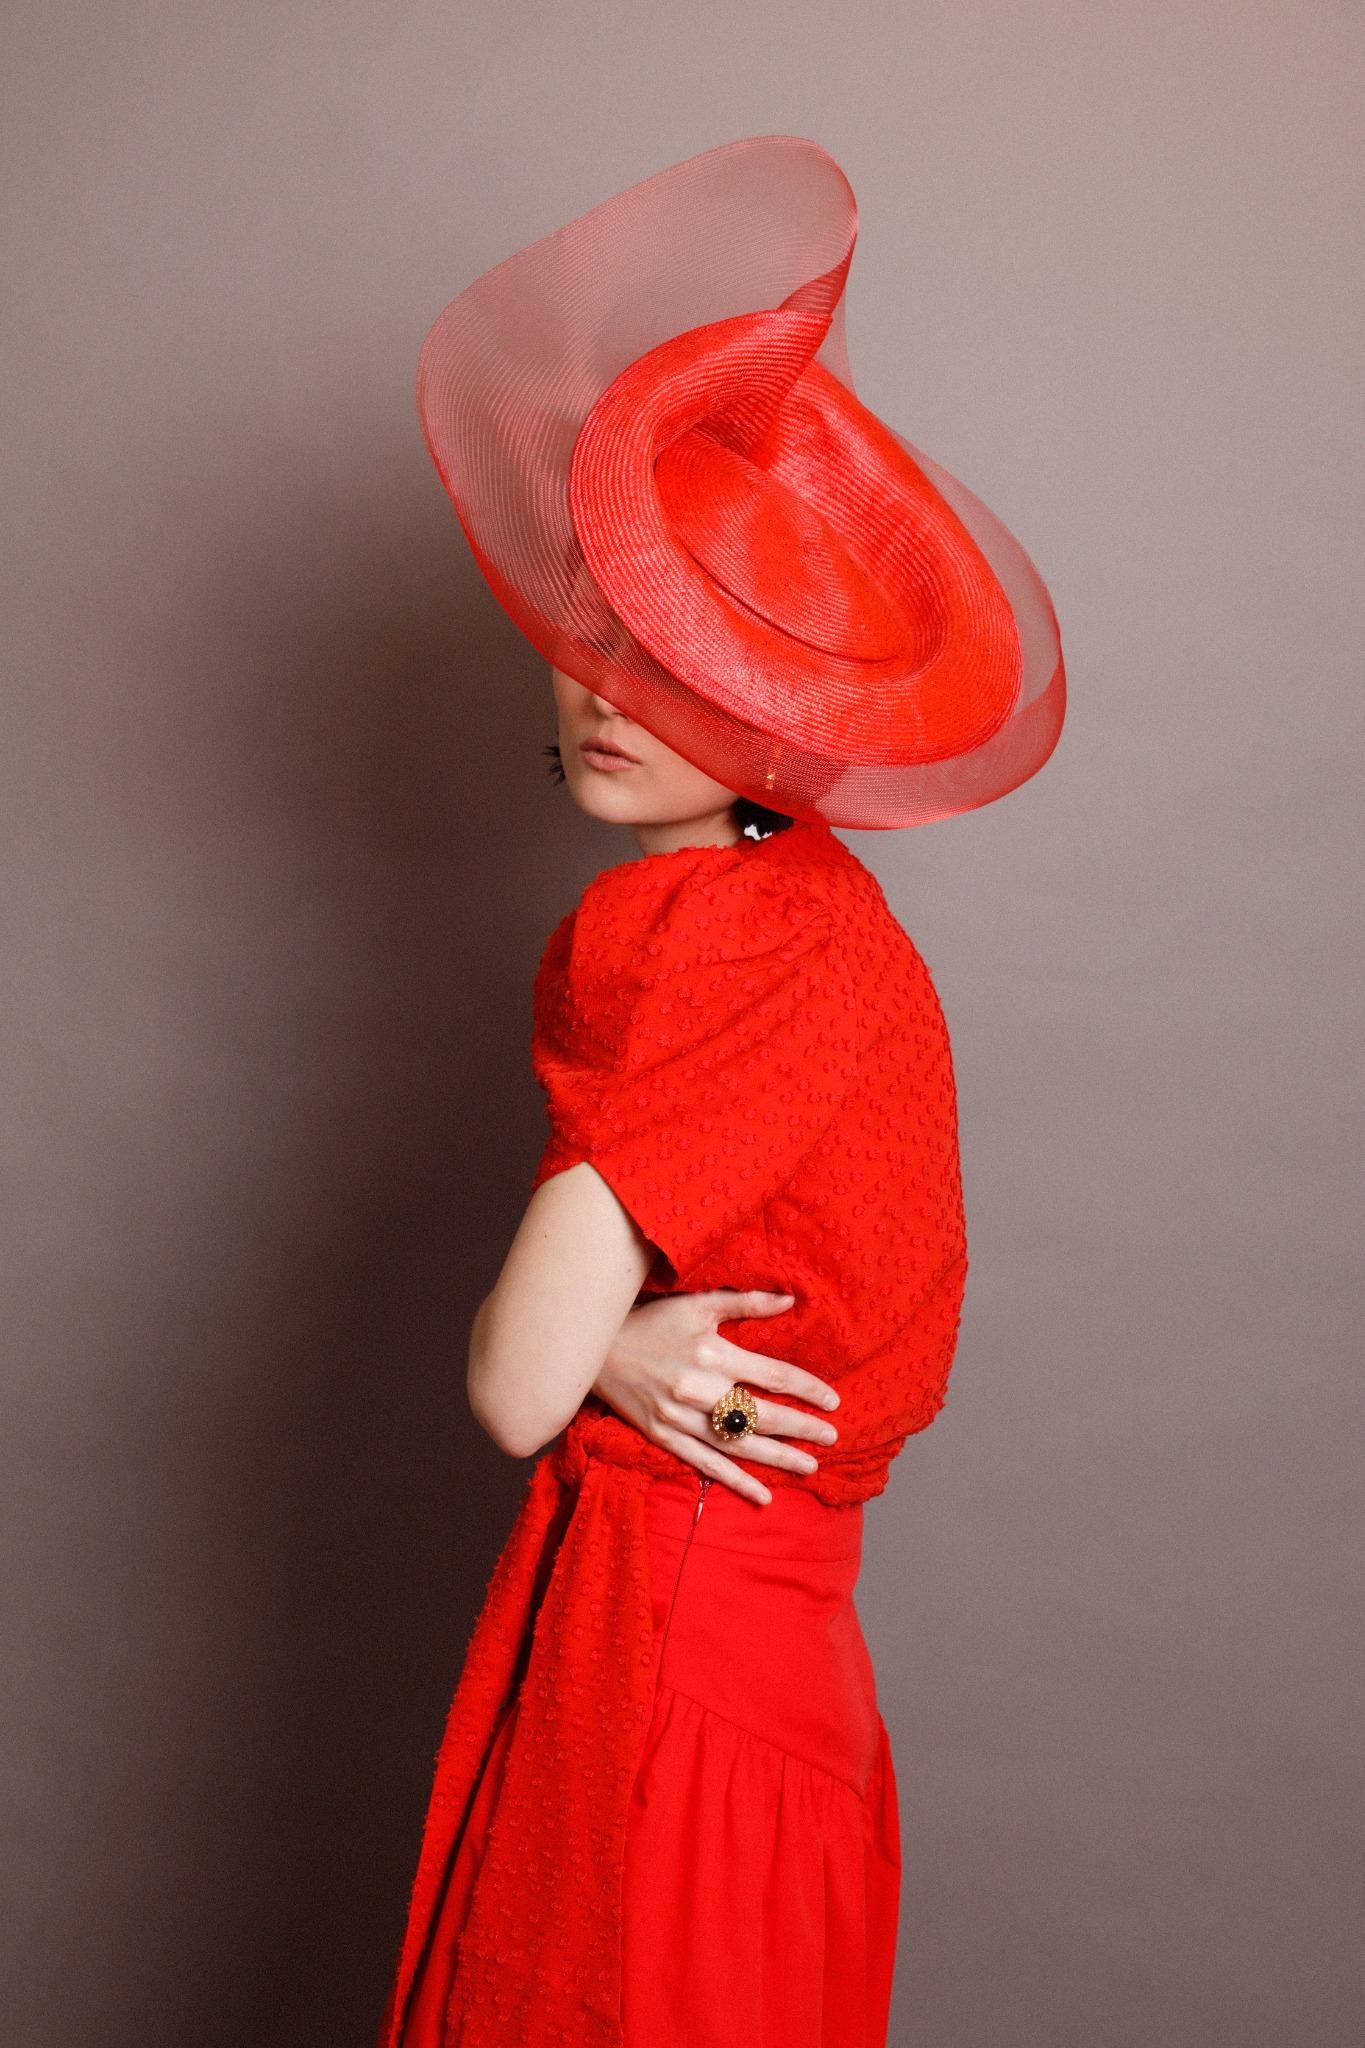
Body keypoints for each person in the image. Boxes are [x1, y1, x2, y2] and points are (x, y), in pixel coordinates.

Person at [376, 135, 1065, 2048]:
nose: (609, 691)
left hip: (673, 1635)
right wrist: (617, 1350)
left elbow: (512, 1385)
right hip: (766, 1647)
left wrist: (588, 1352)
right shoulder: (818, 915)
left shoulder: (713, 935)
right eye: (602, 631)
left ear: (779, 705)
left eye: (687, 658)